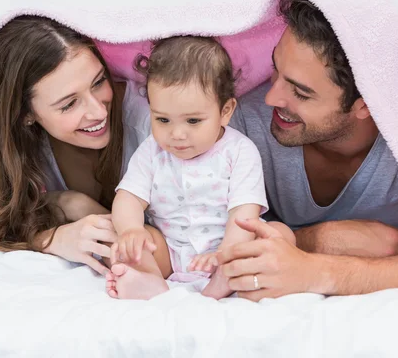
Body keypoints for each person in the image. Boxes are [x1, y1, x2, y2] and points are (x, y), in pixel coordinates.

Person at [216, 0, 398, 301]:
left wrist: (319, 272)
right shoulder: (241, 123)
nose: (272, 98)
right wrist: (316, 240)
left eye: (301, 93)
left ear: (366, 103)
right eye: (276, 69)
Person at [0, 15, 172, 278]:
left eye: (99, 82)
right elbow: (1, 225)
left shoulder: (157, 128)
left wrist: (80, 208)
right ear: (26, 114)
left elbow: (171, 255)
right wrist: (53, 239)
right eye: (69, 104)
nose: (98, 111)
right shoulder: (28, 149)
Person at [105, 36, 292, 300]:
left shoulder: (239, 151)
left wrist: (225, 253)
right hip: (170, 252)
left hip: (230, 245)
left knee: (280, 236)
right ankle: (150, 281)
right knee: (126, 243)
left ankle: (226, 278)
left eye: (193, 120)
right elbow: (129, 198)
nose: (177, 134)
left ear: (225, 111)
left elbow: (244, 214)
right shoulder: (151, 150)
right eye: (162, 119)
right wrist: (131, 230)